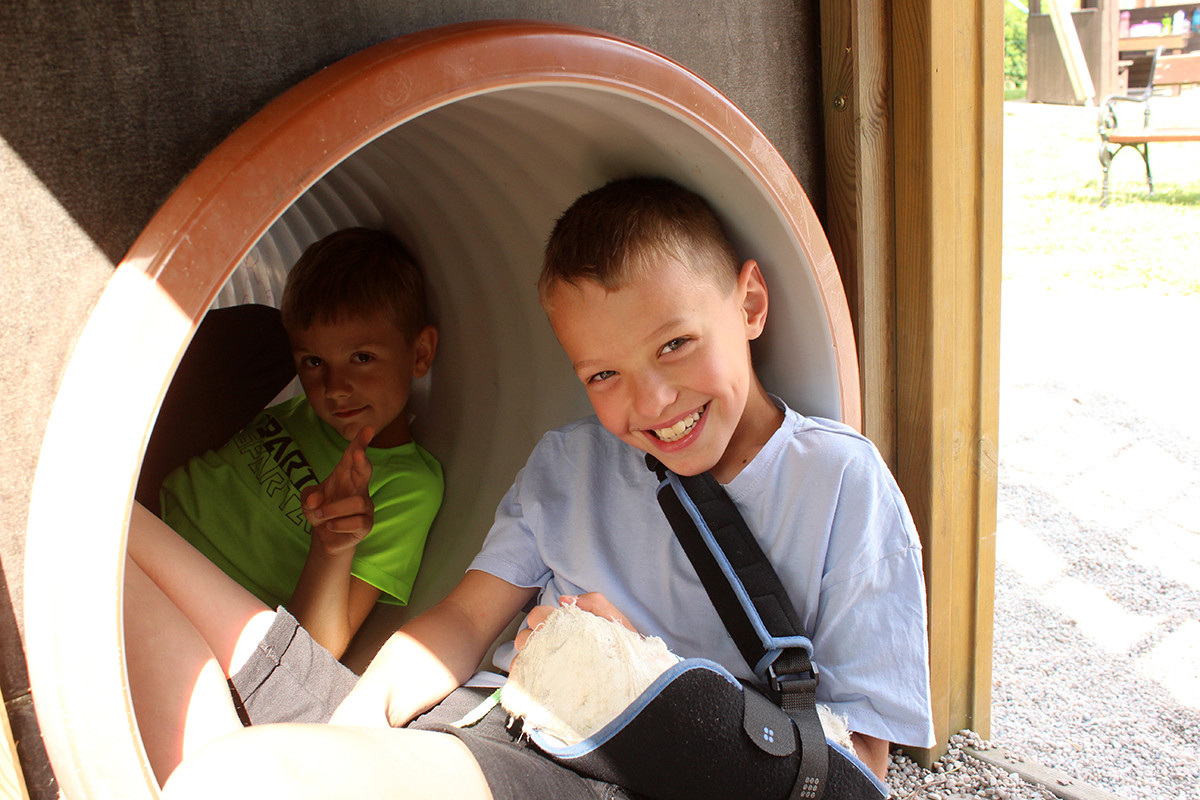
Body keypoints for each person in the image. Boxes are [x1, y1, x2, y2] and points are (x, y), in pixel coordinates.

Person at [153, 178, 935, 800]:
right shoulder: (569, 463)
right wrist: (363, 718)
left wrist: (640, 681)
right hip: (476, 720)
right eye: (604, 374)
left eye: (676, 344)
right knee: (127, 553)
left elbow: (858, 772)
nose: (653, 402)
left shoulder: (841, 485)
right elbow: (463, 621)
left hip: (582, 776)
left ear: (751, 304)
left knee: (240, 777)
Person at [155, 227, 444, 659]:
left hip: (207, 618)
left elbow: (315, 653)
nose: (335, 387)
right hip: (144, 527)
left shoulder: (409, 485)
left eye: (362, 358)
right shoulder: (296, 411)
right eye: (313, 361)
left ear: (420, 353)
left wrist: (332, 544)